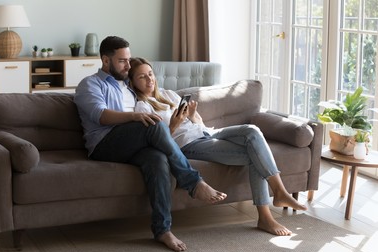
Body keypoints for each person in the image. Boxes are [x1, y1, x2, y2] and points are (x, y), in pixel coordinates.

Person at [73, 36, 227, 252]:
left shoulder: (127, 86)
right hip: (104, 144)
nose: (128, 65)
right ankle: (193, 182)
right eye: (122, 61)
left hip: (132, 144)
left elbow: (151, 89)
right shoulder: (90, 84)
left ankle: (162, 230)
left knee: (158, 159)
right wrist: (134, 118)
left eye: (128, 60)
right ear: (105, 61)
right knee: (153, 125)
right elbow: (101, 116)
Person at [128, 57, 308, 236]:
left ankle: (279, 192)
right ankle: (266, 216)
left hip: (206, 132)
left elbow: (198, 122)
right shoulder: (142, 108)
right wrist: (174, 124)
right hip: (188, 145)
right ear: (133, 82)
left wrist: (191, 115)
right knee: (256, 156)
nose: (149, 79)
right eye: (142, 77)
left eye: (150, 74)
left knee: (252, 130)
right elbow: (159, 140)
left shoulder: (169, 94)